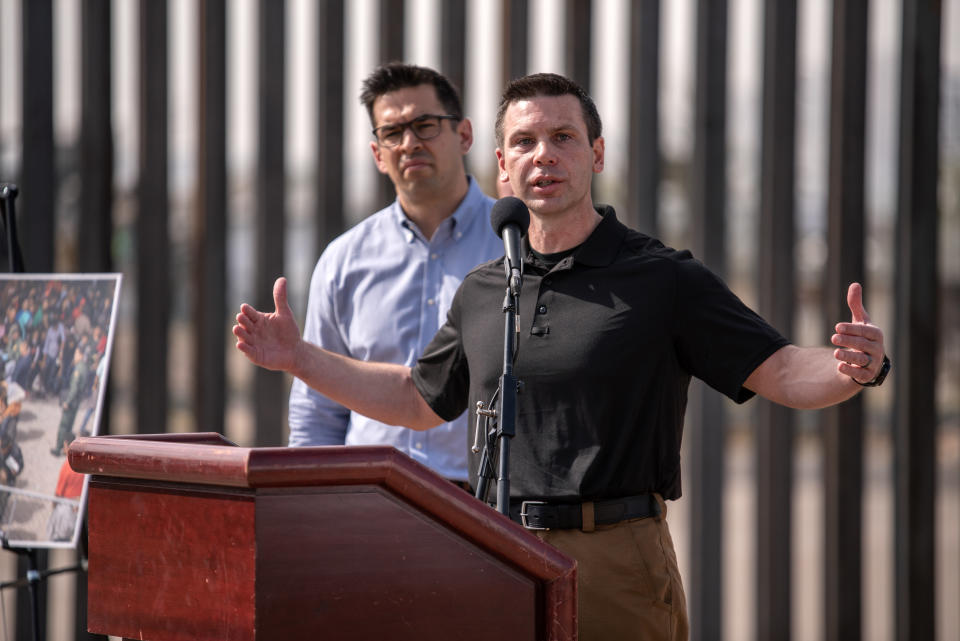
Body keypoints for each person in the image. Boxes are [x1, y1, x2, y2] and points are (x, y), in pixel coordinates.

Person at [233, 73, 890, 641]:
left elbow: (777, 368)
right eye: (524, 141)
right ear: (500, 167)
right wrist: (301, 357)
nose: (543, 154)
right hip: (496, 549)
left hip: (617, 559)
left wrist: (848, 368)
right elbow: (415, 397)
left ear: (596, 153)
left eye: (563, 137)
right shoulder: (487, 288)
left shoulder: (661, 279)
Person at [286, 62, 501, 485]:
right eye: (392, 132)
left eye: (425, 125)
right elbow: (318, 408)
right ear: (377, 155)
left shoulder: (515, 243)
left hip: (486, 501)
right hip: (368, 498)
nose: (409, 143)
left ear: (464, 135)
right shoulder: (344, 259)